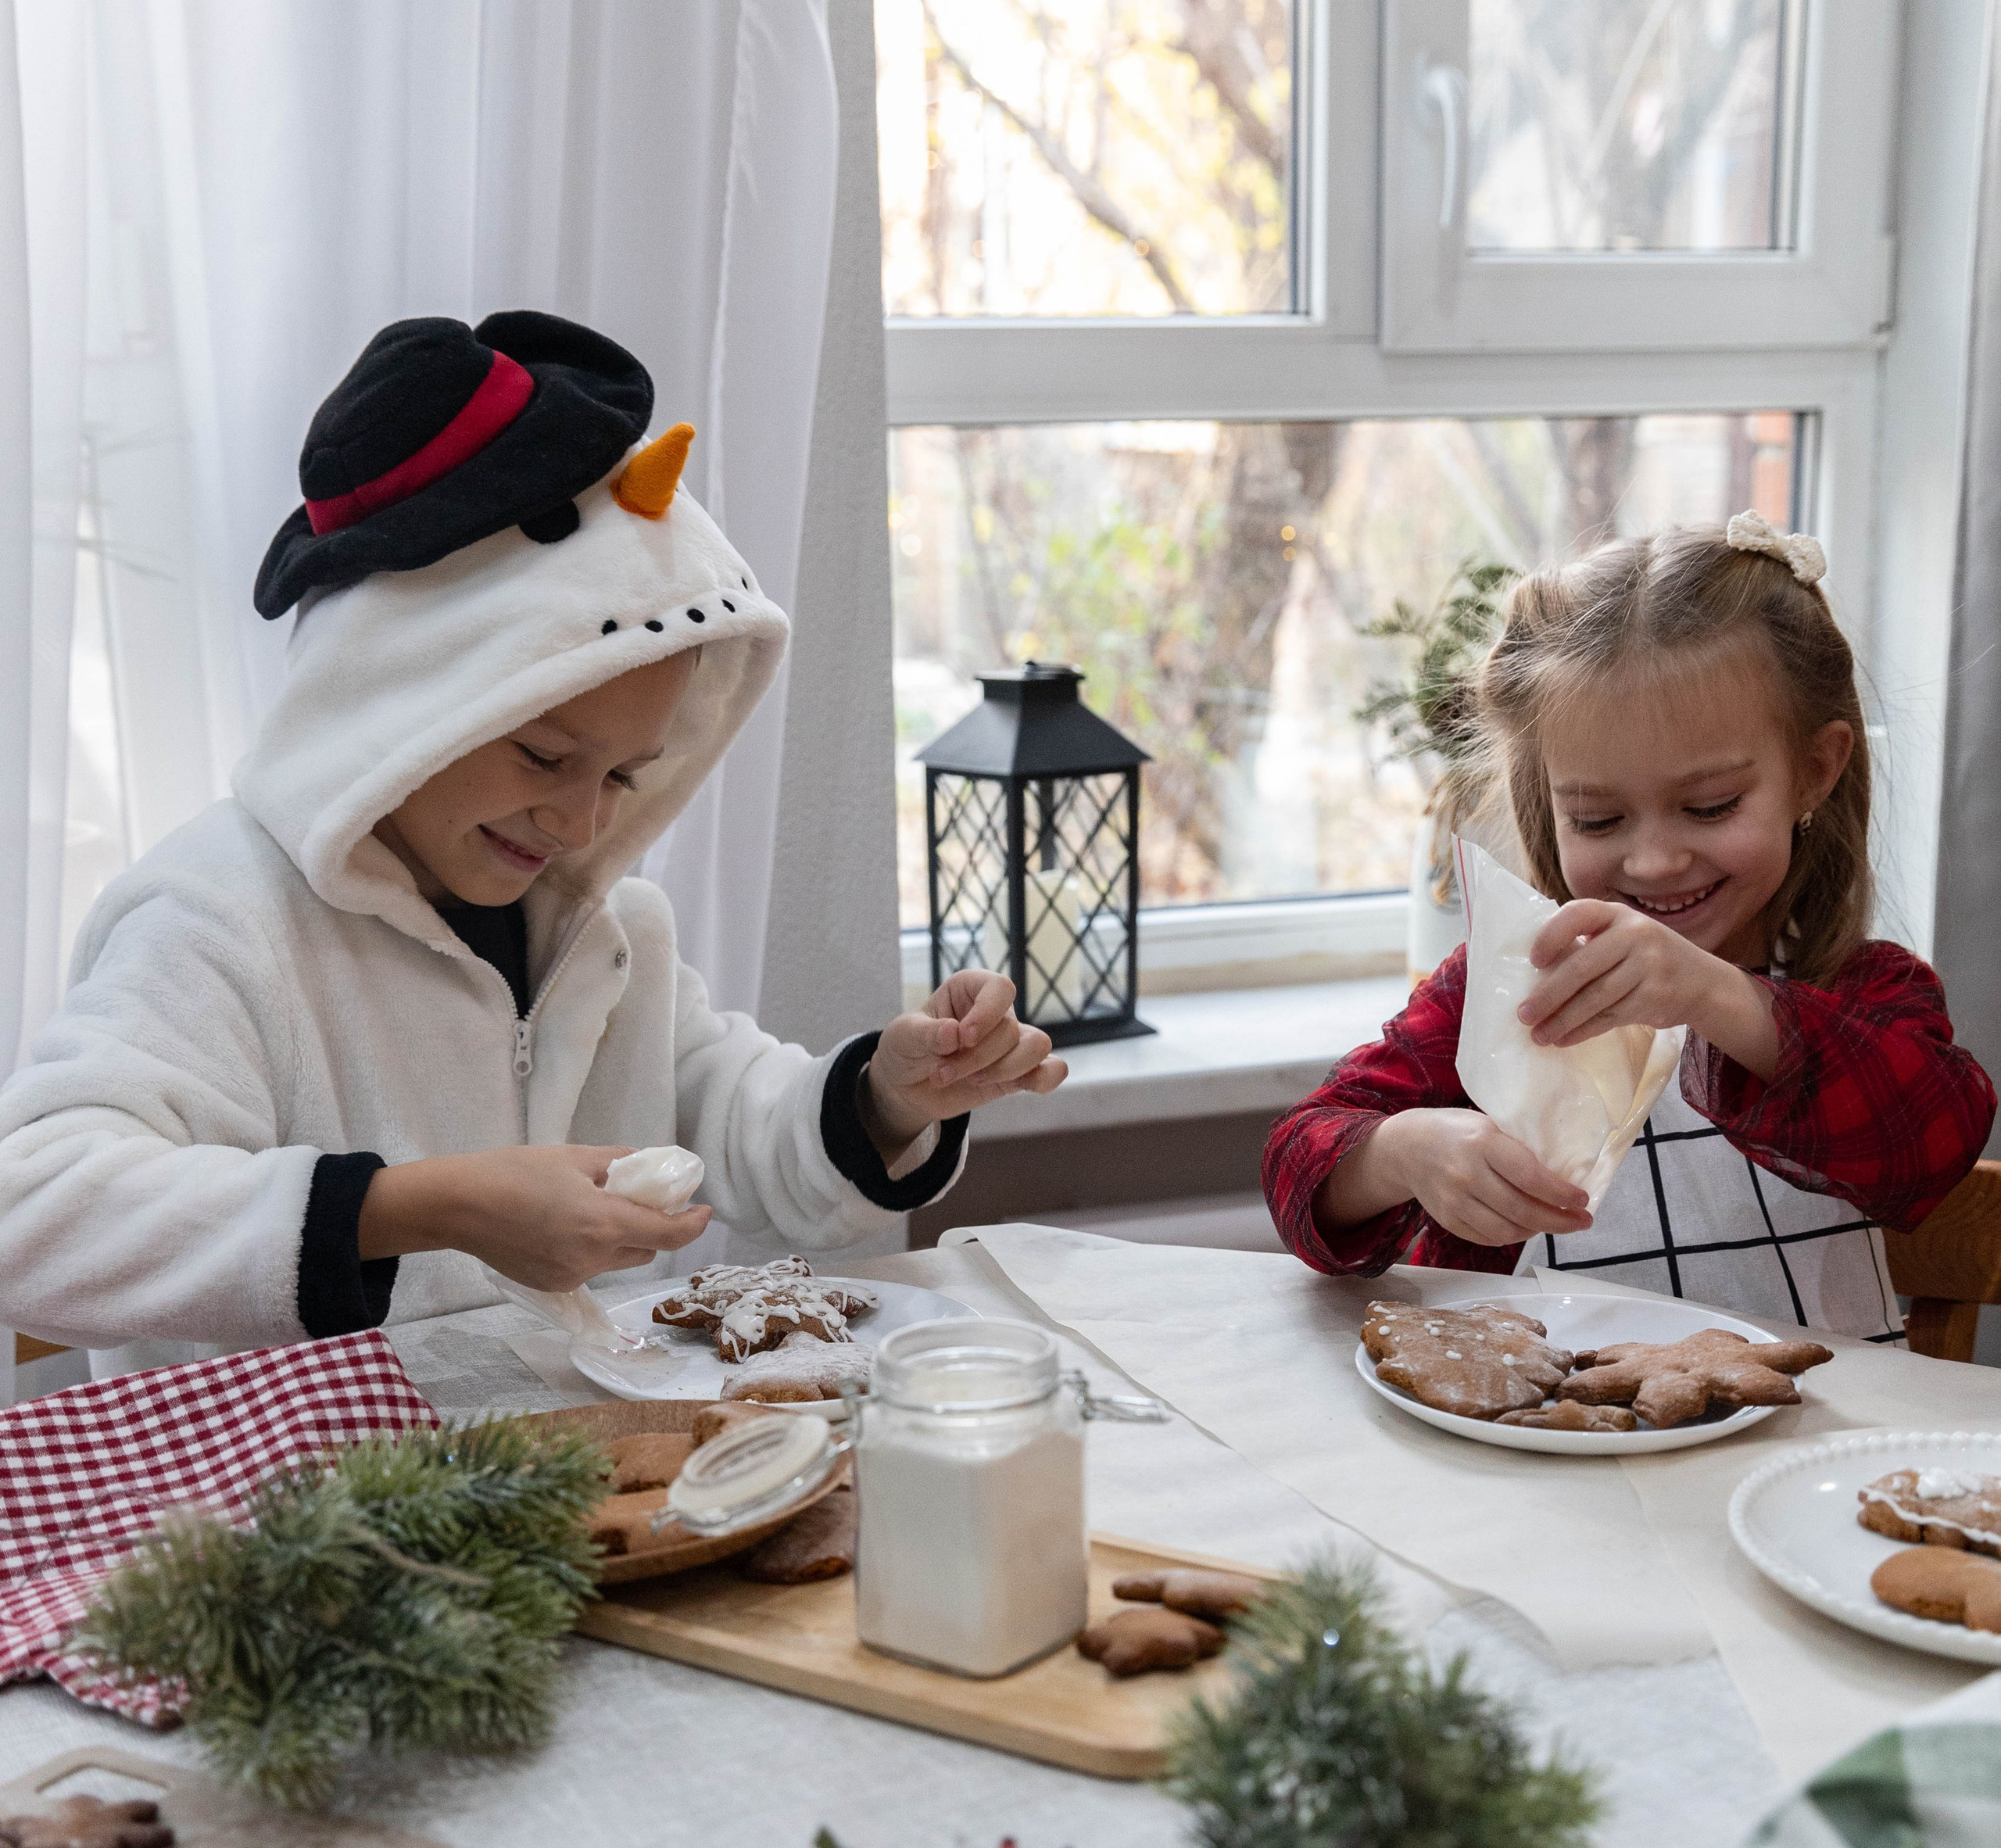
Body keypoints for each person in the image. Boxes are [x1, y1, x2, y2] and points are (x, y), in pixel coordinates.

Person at [0, 310, 1063, 1370]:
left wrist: (889, 1097)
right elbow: (33, 1213)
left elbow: (741, 1127)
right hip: (291, 1476)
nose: (582, 822)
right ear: (398, 699)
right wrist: (421, 1207)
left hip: (548, 1462)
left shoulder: (605, 931)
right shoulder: (218, 922)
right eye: (545, 757)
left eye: (624, 775)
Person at [1263, 514, 1995, 1338]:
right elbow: (1298, 1163)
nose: (1653, 862)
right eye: (1598, 819)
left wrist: (1719, 999)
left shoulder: (1865, 989)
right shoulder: (1505, 992)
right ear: (1547, 801)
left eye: (1709, 807)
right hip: (1539, 1411)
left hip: (1808, 1417)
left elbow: (1933, 1145)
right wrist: (1403, 1152)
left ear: (1813, 771)